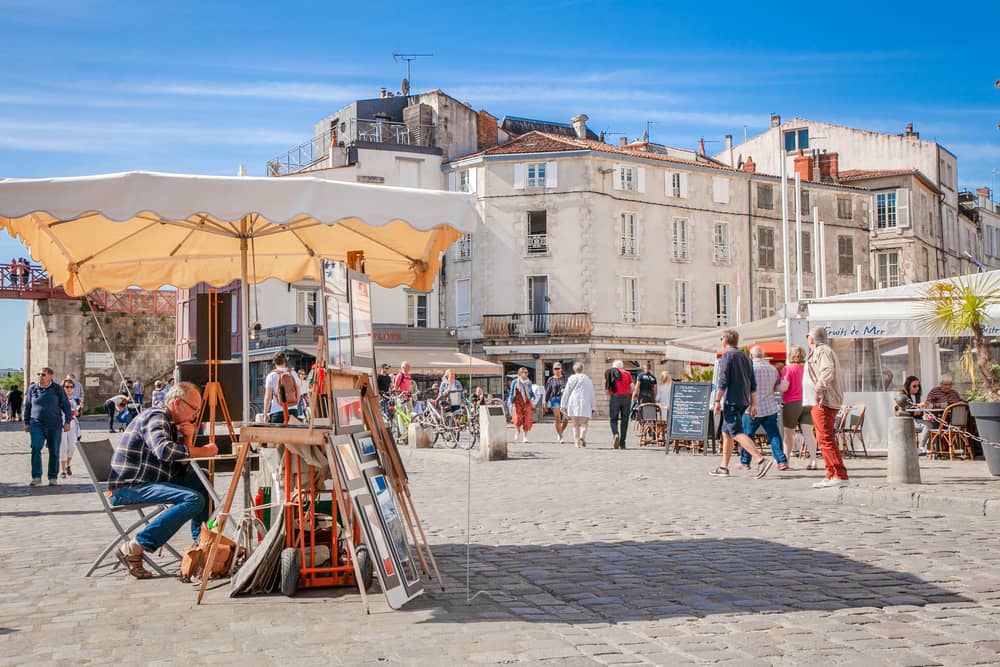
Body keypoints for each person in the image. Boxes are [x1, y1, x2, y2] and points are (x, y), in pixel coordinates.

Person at [108, 381, 216, 579]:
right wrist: (203, 451)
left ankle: (200, 544)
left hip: (150, 482)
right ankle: (134, 546)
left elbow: (178, 466)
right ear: (176, 403)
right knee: (192, 499)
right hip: (130, 486)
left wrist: (188, 439)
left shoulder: (172, 423)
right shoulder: (156, 416)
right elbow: (164, 450)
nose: (195, 415)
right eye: (194, 409)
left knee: (202, 481)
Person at [709, 329, 772, 479]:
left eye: (721, 339)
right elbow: (753, 383)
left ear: (725, 340)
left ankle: (760, 459)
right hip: (744, 399)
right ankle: (723, 467)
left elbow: (723, 381)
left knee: (736, 433)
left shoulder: (727, 356)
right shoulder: (746, 357)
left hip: (732, 400)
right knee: (726, 433)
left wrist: (717, 400)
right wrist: (754, 404)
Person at [807, 326, 848, 488]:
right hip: (822, 399)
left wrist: (818, 388)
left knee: (825, 437)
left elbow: (827, 371)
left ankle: (839, 474)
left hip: (825, 399)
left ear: (811, 339)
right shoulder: (823, 351)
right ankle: (831, 473)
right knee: (822, 437)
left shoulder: (822, 351)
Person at [737, 347, 790, 471]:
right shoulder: (772, 369)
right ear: (764, 355)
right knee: (774, 435)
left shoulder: (748, 369)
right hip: (769, 407)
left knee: (747, 435)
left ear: (751, 356)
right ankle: (781, 461)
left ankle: (745, 462)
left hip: (751, 408)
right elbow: (777, 385)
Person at [24, 367, 73, 487]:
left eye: (43, 374)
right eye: (39, 374)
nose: (40, 376)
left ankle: (52, 477)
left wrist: (67, 422)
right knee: (35, 448)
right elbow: (27, 406)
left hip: (54, 425)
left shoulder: (57, 389)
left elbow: (66, 406)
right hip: (36, 424)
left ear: (50, 376)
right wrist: (26, 422)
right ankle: (36, 477)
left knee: (54, 451)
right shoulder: (33, 389)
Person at [780, 345, 820, 469]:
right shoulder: (809, 368)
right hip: (808, 401)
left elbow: (784, 387)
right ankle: (813, 461)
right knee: (809, 433)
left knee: (788, 434)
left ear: (791, 356)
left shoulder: (788, 369)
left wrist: (774, 388)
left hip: (792, 403)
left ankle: (786, 462)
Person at [561, 362, 596, 447]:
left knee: (575, 424)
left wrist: (563, 405)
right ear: (583, 369)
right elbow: (592, 393)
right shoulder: (588, 379)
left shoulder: (571, 379)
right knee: (584, 423)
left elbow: (566, 392)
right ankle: (582, 436)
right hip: (585, 402)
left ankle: (577, 443)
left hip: (573, 401)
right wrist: (593, 406)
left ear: (574, 370)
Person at [894, 375, 931, 454]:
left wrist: (918, 411)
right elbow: (904, 408)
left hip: (915, 420)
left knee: (932, 424)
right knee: (928, 425)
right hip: (906, 420)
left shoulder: (917, 396)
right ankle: (921, 447)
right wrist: (917, 407)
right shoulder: (902, 395)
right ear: (908, 386)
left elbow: (919, 413)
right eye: (914, 386)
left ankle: (923, 447)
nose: (917, 388)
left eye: (918, 386)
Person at [263, 352, 299, 423]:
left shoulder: (271, 376)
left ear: (274, 362)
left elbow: (268, 397)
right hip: (293, 411)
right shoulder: (293, 373)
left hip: (277, 412)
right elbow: (298, 392)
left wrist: (265, 414)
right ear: (285, 361)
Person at [606, 360, 633, 449]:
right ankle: (622, 442)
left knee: (613, 419)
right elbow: (632, 387)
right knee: (624, 421)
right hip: (626, 398)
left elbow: (607, 387)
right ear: (622, 366)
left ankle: (616, 434)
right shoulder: (627, 373)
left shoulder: (611, 373)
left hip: (615, 397)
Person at [60, 378, 82, 478]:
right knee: (63, 447)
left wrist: (77, 412)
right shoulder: (59, 398)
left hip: (73, 424)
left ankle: (68, 465)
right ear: (63, 387)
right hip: (62, 424)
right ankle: (63, 470)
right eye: (67, 387)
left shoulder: (76, 399)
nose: (69, 389)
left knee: (72, 447)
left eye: (71, 387)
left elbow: (78, 414)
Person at [507, 367, 534, 443]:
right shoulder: (515, 382)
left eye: (527, 372)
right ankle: (518, 431)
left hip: (527, 401)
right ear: (520, 373)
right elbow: (512, 392)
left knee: (527, 418)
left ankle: (525, 436)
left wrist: (532, 399)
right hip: (518, 401)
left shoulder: (529, 382)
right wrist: (511, 402)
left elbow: (530, 392)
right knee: (518, 418)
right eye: (524, 372)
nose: (526, 374)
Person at [544, 363, 568, 444]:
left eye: (558, 368)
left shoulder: (565, 378)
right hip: (555, 399)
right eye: (555, 369)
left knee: (566, 418)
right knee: (558, 418)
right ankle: (561, 436)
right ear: (553, 370)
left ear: (561, 369)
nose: (557, 370)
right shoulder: (551, 379)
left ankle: (560, 431)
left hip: (564, 399)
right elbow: (548, 391)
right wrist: (546, 402)